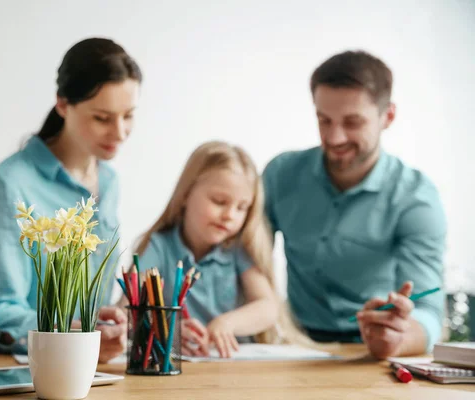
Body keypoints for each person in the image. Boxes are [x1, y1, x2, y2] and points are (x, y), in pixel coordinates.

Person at [0, 38, 142, 363]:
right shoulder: (10, 182)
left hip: (83, 367)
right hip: (9, 366)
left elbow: (89, 299)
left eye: (128, 115)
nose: (120, 132)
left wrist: (111, 323)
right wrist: (73, 334)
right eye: (102, 118)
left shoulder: (110, 182)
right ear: (62, 104)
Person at [262, 50, 446, 359]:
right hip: (291, 344)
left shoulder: (416, 198)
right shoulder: (281, 175)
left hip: (371, 348)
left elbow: (428, 312)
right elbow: (243, 259)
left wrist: (397, 338)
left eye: (352, 122)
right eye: (324, 120)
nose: (334, 137)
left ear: (387, 117)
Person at [130, 141, 299, 358]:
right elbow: (131, 309)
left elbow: (268, 307)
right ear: (185, 195)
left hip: (230, 364)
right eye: (219, 201)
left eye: (242, 208)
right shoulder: (159, 246)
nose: (230, 215)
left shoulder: (238, 249)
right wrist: (165, 329)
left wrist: (226, 323)